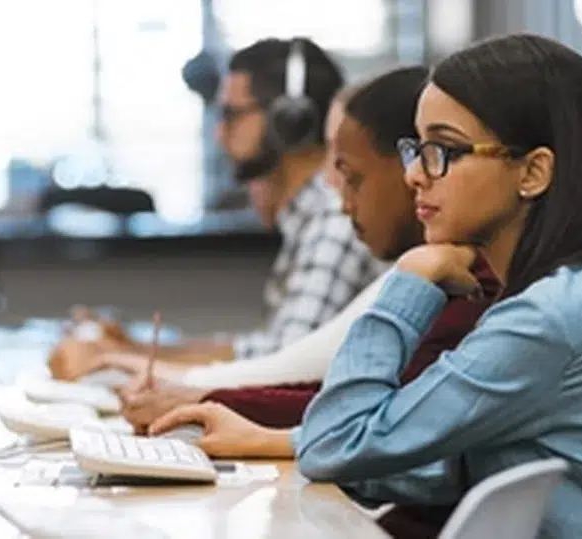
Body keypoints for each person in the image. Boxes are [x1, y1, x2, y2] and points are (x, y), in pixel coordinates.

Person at [252, 34, 582, 538]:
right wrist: (283, 442)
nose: (415, 174)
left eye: (445, 150)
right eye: (418, 148)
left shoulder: (551, 318)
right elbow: (455, 463)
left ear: (533, 172)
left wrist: (410, 280)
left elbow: (337, 443)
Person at [121, 67, 438, 432]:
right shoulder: (431, 269)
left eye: (349, 171)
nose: (332, 187)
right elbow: (339, 400)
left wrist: (184, 391)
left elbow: (307, 379)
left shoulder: (426, 273)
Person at [48, 37, 384, 378]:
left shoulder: (334, 221)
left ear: (288, 121)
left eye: (231, 115)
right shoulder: (311, 219)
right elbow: (267, 349)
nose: (219, 134)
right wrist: (133, 348)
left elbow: (280, 371)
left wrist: (116, 359)